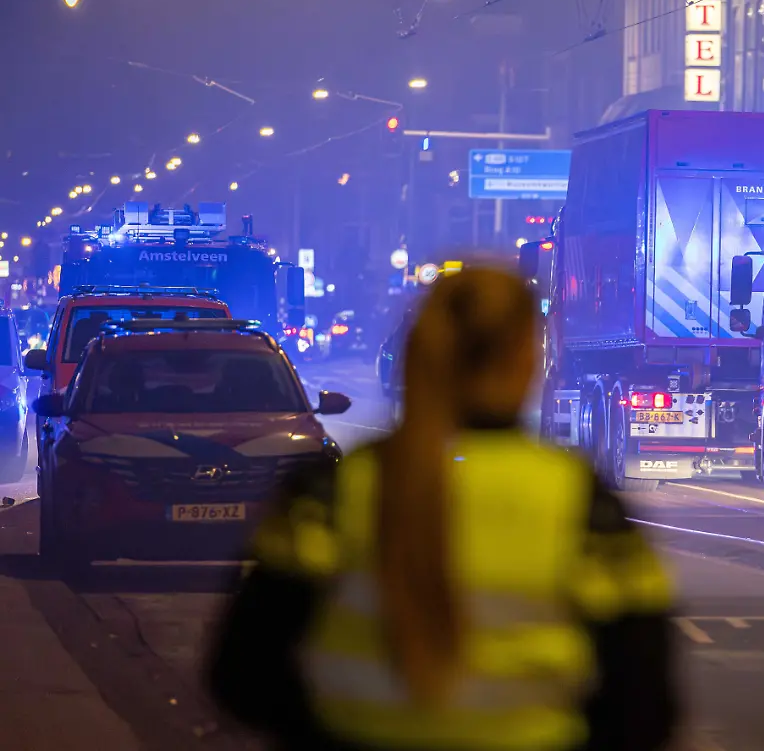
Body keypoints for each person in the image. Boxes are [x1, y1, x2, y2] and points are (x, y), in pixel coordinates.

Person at [206, 265, 681, 751]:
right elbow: (643, 702)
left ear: (416, 354)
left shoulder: (330, 493)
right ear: (525, 362)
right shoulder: (581, 501)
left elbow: (243, 674)